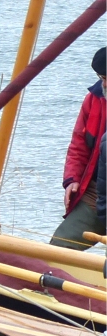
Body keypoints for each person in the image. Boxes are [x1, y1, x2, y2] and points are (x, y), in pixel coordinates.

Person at [50, 47, 106, 250]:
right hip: (97, 192)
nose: (105, 84)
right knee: (58, 250)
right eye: (102, 78)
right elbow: (79, 143)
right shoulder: (94, 99)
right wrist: (72, 179)